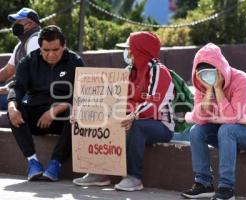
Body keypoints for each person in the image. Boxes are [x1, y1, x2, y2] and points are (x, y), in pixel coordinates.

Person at [73, 31, 175, 191]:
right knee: (103, 118)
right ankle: (100, 172)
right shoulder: (128, 70)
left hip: (160, 125)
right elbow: (111, 98)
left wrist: (134, 115)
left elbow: (154, 102)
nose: (127, 53)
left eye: (130, 49)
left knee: (138, 125)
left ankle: (134, 177)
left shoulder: (158, 71)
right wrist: (83, 111)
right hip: (132, 118)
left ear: (140, 50)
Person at [180, 43, 246, 200]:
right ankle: (204, 184)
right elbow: (199, 119)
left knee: (227, 129)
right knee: (196, 131)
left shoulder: (242, 81)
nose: (207, 77)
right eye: (202, 74)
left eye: (211, 72)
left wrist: (218, 90)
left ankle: (226, 188)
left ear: (220, 68)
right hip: (229, 134)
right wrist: (208, 93)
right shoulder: (202, 86)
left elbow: (232, 118)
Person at [7, 25, 85, 181]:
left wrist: (56, 109)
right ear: (40, 47)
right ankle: (33, 162)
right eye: (46, 50)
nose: (51, 54)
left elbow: (83, 94)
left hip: (63, 119)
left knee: (79, 113)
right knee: (14, 108)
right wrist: (12, 106)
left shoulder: (75, 61)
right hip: (34, 116)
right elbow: (17, 87)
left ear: (64, 46)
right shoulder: (28, 61)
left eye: (56, 49)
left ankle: (56, 163)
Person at [0, 8, 41, 110]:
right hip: (20, 90)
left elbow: (33, 76)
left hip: (30, 96)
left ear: (30, 24)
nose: (15, 24)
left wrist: (8, 88)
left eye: (18, 21)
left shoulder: (35, 41)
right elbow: (8, 71)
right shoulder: (22, 44)